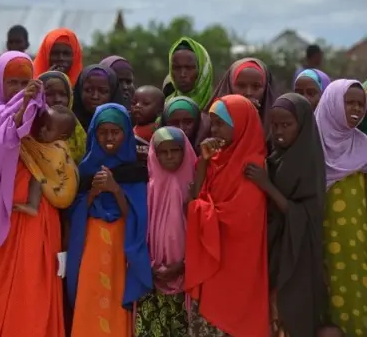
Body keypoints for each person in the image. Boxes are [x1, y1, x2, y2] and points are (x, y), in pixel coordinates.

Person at [0, 51, 74, 337]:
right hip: (3, 218)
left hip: (38, 218)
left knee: (35, 291)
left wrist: (29, 107)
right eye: (12, 82)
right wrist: (21, 107)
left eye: (25, 81)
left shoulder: (43, 116)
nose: (18, 88)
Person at [66, 103, 152, 337]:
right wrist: (93, 193)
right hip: (92, 244)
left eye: (115, 132)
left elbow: (137, 216)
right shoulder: (84, 170)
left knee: (117, 295)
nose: (109, 138)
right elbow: (75, 212)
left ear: (126, 134)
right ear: (94, 133)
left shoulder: (137, 170)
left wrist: (115, 189)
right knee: (90, 294)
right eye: (102, 132)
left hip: (122, 246)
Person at [186, 95, 268, 336]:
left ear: (241, 123)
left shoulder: (254, 165)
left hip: (237, 266)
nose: (215, 129)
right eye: (212, 123)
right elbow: (195, 199)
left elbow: (240, 219)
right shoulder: (215, 160)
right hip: (212, 263)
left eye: (221, 123)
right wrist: (202, 162)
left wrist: (199, 209)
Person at [245, 93, 326, 336]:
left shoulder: (308, 160)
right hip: (271, 246)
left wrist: (267, 185)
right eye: (275, 125)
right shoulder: (271, 154)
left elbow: (306, 214)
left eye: (287, 125)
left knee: (292, 311)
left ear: (301, 126)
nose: (279, 131)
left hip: (299, 250)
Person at [314, 79, 367, 335]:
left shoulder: (364, 146)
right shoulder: (311, 145)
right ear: (333, 103)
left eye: (361, 104)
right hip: (317, 240)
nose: (355, 109)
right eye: (349, 102)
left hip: (357, 244)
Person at [135, 126, 197, 337]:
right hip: (153, 278)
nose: (170, 156)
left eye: (176, 150)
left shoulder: (195, 186)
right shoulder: (149, 186)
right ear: (154, 153)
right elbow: (140, 229)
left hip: (188, 277)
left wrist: (184, 265)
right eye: (163, 152)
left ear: (185, 151)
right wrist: (149, 265)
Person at [13, 105, 78, 216]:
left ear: (61, 136)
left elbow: (31, 150)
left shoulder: (57, 151)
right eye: (42, 124)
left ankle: (33, 205)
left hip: (61, 195)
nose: (42, 129)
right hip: (61, 192)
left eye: (48, 128)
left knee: (37, 175)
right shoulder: (53, 143)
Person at [212, 58, 277, 132]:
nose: (248, 93)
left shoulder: (278, 125)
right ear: (230, 86)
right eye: (241, 86)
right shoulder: (211, 123)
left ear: (265, 88)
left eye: (256, 86)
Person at [38, 70, 87, 164]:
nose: (57, 100)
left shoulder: (78, 134)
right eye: (49, 94)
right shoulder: (30, 131)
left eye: (63, 94)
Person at [72, 64, 124, 131]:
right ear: (79, 90)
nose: (95, 96)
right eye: (89, 90)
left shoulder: (124, 127)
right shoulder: (66, 124)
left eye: (102, 91)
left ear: (113, 93)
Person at [167, 37, 213, 110]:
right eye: (176, 68)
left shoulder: (217, 111)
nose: (182, 74)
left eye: (189, 68)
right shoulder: (163, 108)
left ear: (203, 70)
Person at [132, 85, 165, 157]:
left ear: (160, 111)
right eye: (134, 103)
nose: (137, 106)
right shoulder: (129, 127)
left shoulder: (158, 131)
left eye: (145, 103)